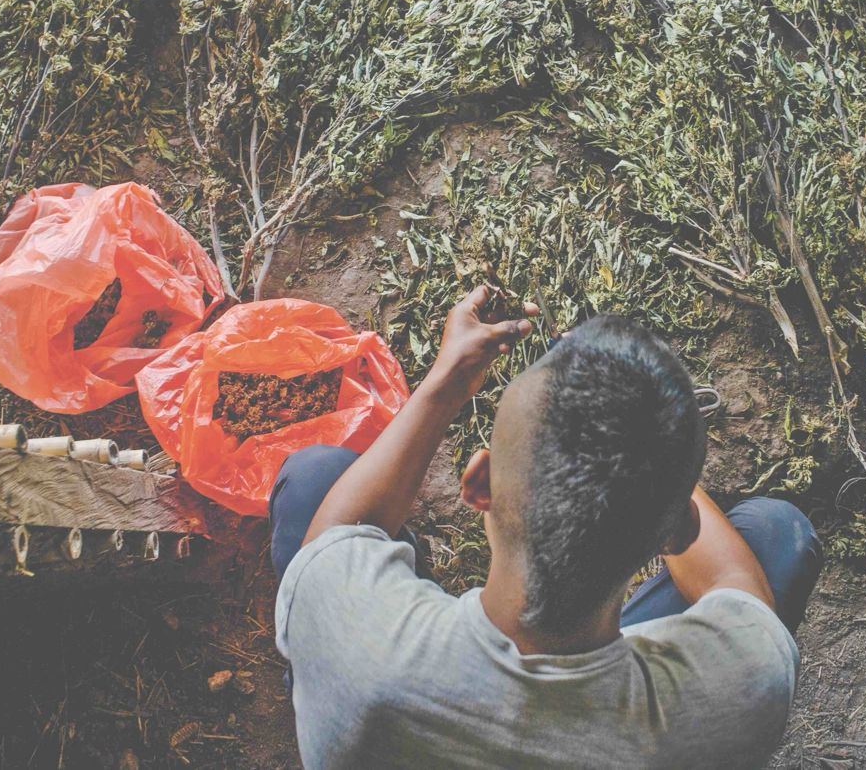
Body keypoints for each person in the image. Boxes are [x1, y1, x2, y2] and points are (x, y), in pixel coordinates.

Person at [271, 287, 823, 769]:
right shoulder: (747, 689)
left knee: (314, 477)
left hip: (388, 696)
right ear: (675, 535)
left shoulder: (354, 644)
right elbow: (737, 583)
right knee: (777, 535)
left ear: (478, 484)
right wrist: (644, 456)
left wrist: (447, 381)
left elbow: (335, 534)